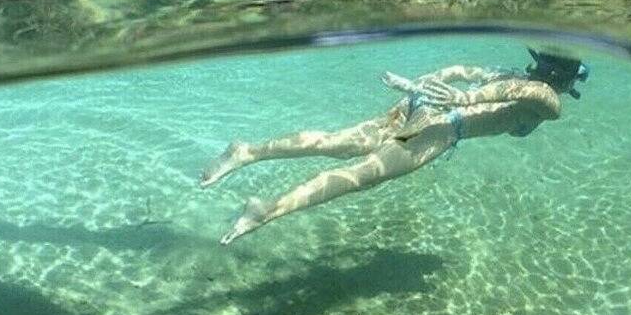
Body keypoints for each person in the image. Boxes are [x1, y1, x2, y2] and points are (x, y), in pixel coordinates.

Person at [201, 48, 589, 245]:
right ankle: (266, 210)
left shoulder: (508, 73)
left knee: (338, 142)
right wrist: (463, 101)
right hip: (440, 126)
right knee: (359, 175)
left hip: (419, 105)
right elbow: (525, 91)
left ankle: (247, 151)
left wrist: (422, 85)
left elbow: (461, 71)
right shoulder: (548, 100)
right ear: (566, 78)